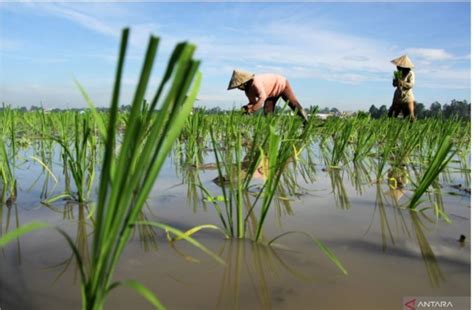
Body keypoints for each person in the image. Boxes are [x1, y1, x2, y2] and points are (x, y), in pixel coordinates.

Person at [227, 70, 309, 124]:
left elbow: (262, 98)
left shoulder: (256, 82)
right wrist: (247, 107)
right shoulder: (247, 91)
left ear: (244, 82)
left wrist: (252, 109)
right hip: (270, 94)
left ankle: (306, 122)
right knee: (267, 111)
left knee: (293, 104)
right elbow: (253, 103)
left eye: (239, 86)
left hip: (281, 84)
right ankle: (270, 129)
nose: (238, 88)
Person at [388, 55, 416, 121]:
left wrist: (402, 82)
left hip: (407, 96)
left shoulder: (410, 73)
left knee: (411, 116)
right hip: (398, 95)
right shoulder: (398, 73)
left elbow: (411, 85)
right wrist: (396, 82)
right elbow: (394, 84)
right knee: (391, 114)